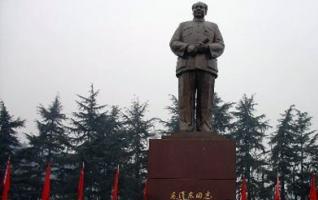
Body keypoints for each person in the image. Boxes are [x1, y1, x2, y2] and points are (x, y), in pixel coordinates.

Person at [170, 2, 225, 132]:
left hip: (207, 66)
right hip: (186, 65)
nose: (198, 9)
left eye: (201, 7)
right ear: (192, 10)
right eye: (195, 7)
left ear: (206, 11)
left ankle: (205, 126)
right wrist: (187, 47)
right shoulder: (183, 26)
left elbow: (221, 45)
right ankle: (185, 126)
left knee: (206, 100)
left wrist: (207, 47)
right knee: (185, 98)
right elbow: (173, 43)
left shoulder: (213, 26)